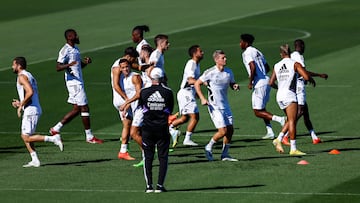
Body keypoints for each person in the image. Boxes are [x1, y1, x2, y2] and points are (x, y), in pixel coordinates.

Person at [49, 29, 103, 144]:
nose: (77, 36)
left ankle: (55, 128)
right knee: (84, 107)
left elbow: (77, 67)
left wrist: (85, 63)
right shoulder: (65, 50)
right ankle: (89, 136)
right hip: (74, 83)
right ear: (69, 37)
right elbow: (58, 67)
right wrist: (68, 65)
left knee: (77, 109)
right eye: (75, 35)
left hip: (77, 81)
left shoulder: (76, 49)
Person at [11, 57, 63, 167]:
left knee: (26, 137)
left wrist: (21, 105)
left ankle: (53, 139)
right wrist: (20, 103)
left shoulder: (21, 77)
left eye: (13, 64)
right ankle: (35, 160)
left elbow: (30, 92)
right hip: (33, 108)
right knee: (26, 135)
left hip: (31, 110)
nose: (12, 67)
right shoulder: (29, 75)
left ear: (19, 65)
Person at [269, 44, 316, 156]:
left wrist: (279, 88)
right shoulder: (294, 63)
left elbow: (271, 83)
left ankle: (279, 139)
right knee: (292, 121)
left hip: (279, 96)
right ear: (289, 53)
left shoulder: (277, 65)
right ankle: (293, 149)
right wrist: (310, 79)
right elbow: (305, 76)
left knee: (290, 120)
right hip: (290, 95)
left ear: (281, 54)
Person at [194, 50, 240, 161]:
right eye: (223, 58)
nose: (225, 59)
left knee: (230, 130)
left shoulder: (229, 72)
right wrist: (202, 98)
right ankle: (208, 147)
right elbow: (197, 83)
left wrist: (234, 86)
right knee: (222, 131)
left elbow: (231, 83)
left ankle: (225, 154)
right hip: (214, 105)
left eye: (225, 57)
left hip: (225, 105)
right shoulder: (210, 72)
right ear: (216, 60)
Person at [281, 39, 328, 145]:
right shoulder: (297, 55)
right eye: (303, 45)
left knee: (305, 112)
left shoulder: (293, 55)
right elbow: (303, 71)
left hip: (295, 85)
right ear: (300, 46)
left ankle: (314, 137)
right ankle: (285, 135)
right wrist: (319, 75)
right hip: (299, 86)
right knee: (300, 111)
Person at [240, 34, 286, 139]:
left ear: (246, 43)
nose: (240, 44)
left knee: (257, 112)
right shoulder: (257, 51)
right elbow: (267, 66)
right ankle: (270, 131)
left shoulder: (247, 53)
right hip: (266, 80)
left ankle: (280, 119)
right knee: (262, 108)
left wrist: (250, 81)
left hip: (259, 83)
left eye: (241, 41)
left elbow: (252, 66)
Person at [139, 67, 174, 193]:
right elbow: (169, 109)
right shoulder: (168, 92)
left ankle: (149, 186)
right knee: (163, 157)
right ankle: (159, 186)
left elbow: (142, 107)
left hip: (147, 128)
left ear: (151, 77)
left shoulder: (144, 92)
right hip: (162, 128)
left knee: (148, 157)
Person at [169, 45, 204, 147]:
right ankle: (187, 139)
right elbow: (190, 80)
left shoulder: (196, 65)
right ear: (194, 54)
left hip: (188, 93)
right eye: (200, 51)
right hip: (186, 93)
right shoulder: (191, 64)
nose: (202, 53)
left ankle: (169, 128)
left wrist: (197, 93)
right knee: (195, 116)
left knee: (185, 118)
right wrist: (203, 82)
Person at [111, 58, 142, 160]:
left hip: (142, 108)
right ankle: (145, 153)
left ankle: (148, 152)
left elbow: (138, 94)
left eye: (127, 67)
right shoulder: (124, 79)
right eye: (123, 68)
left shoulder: (135, 77)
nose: (125, 69)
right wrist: (126, 106)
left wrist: (126, 103)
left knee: (134, 131)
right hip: (134, 108)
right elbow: (131, 95)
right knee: (133, 129)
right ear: (120, 68)